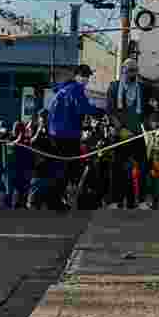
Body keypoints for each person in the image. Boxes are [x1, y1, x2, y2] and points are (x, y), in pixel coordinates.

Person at [47, 64, 105, 212]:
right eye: (85, 75)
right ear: (77, 75)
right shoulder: (76, 89)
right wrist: (100, 112)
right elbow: (83, 108)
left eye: (88, 75)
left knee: (61, 168)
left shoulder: (62, 90)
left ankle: (56, 200)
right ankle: (62, 201)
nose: (87, 78)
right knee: (70, 169)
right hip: (67, 135)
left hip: (55, 134)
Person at [107, 57, 145, 209]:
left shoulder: (141, 88)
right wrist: (120, 128)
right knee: (117, 168)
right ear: (123, 70)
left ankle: (140, 201)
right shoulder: (114, 87)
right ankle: (115, 201)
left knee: (141, 167)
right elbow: (110, 110)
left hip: (137, 134)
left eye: (135, 70)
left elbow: (148, 109)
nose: (133, 73)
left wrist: (149, 123)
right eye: (130, 70)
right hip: (120, 134)